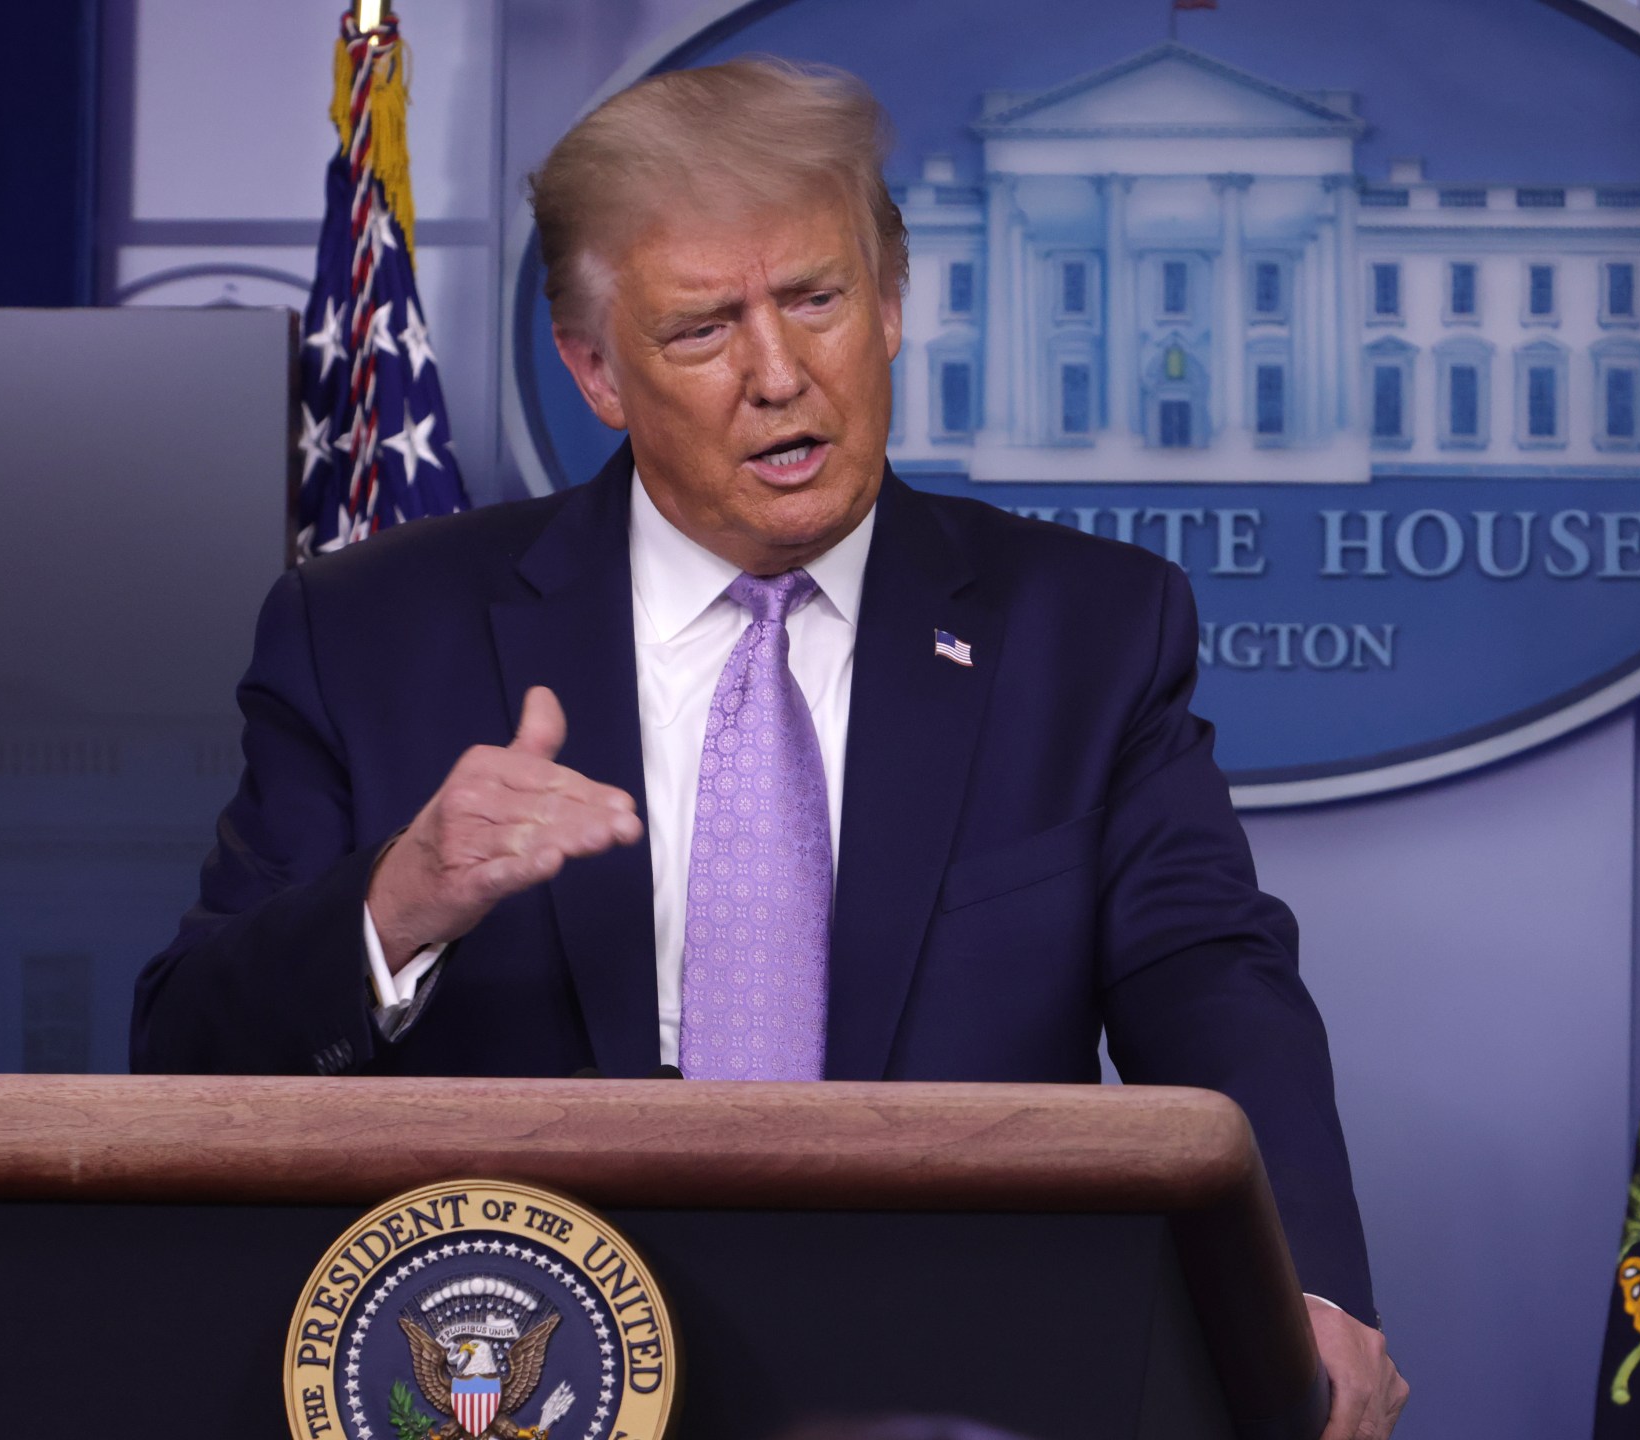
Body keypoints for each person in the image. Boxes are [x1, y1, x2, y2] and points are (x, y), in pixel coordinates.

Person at [131, 56, 1405, 1440]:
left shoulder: (1085, 632)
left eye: (817, 300)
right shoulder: (376, 633)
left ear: (894, 304)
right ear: (595, 370)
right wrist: (398, 902)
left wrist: (1308, 1288)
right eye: (700, 331)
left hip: (957, 1386)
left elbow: (1208, 979)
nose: (780, 375)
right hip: (529, 1380)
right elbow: (187, 1055)